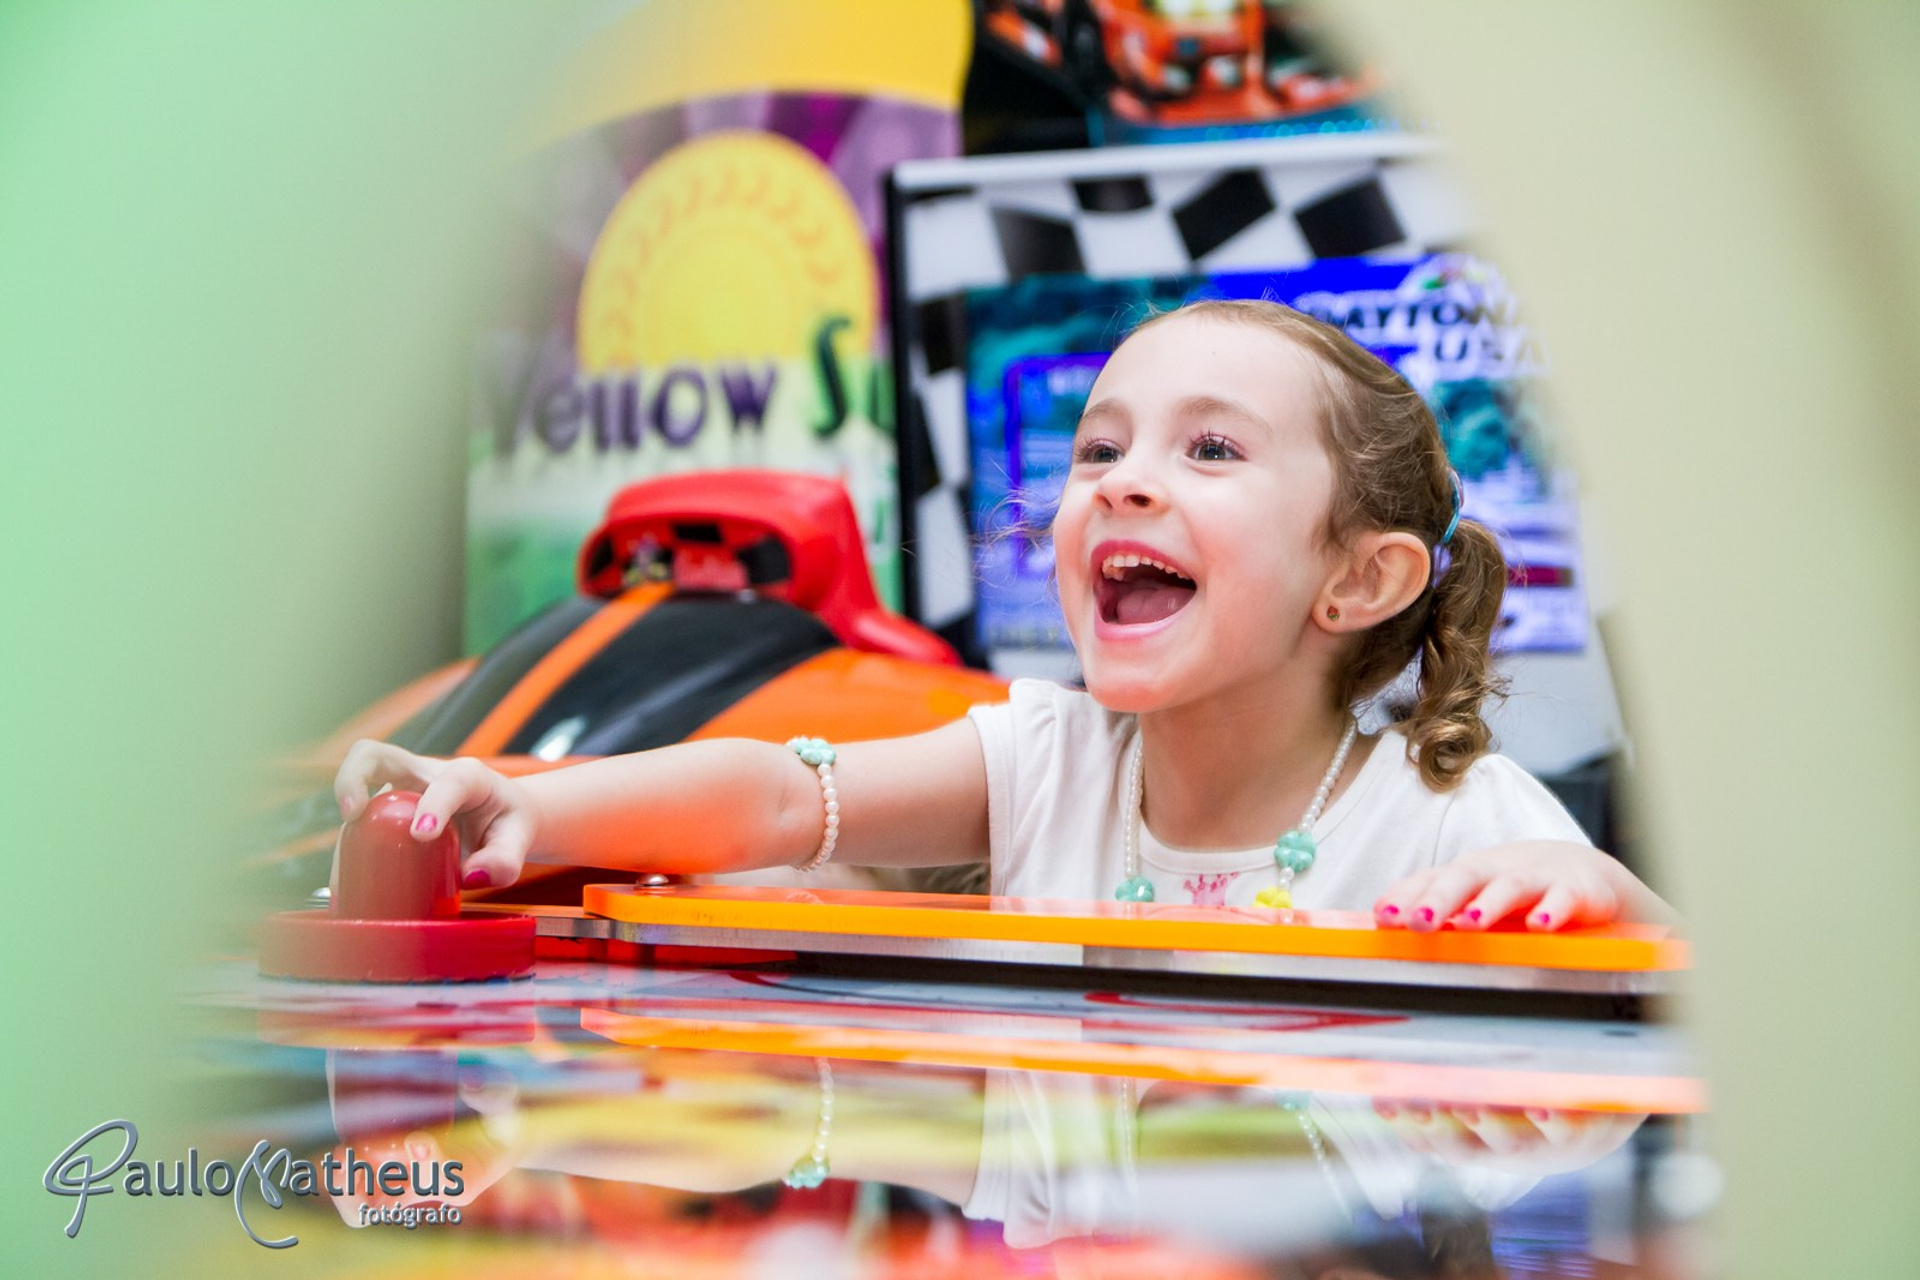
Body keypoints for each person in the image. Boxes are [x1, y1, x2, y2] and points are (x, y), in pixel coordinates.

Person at [335, 300, 1672, 932]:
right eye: (1099, 451)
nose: (1124, 478)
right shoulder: (1048, 758)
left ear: (1360, 580)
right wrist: (526, 807)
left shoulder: (1450, 814)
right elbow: (776, 801)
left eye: (1212, 451)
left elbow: (1680, 997)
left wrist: (1603, 900)